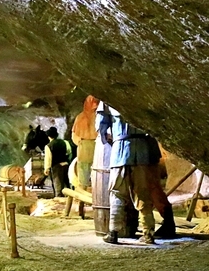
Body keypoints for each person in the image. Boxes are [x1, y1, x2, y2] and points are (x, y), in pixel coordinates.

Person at [96, 103, 174, 245]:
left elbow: (101, 126)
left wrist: (107, 139)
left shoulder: (107, 98)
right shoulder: (141, 93)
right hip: (143, 151)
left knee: (117, 193)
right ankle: (148, 234)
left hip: (119, 151)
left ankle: (113, 232)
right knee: (143, 193)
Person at [71, 95, 99, 192]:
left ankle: (81, 199)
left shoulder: (80, 117)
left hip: (83, 147)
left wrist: (80, 143)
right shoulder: (99, 116)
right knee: (98, 173)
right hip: (98, 147)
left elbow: (74, 136)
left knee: (83, 175)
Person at [44, 126, 71, 198]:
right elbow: (68, 152)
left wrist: (47, 168)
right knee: (67, 183)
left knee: (58, 185)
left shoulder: (48, 146)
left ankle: (59, 200)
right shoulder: (65, 142)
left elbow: (48, 158)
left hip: (57, 166)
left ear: (49, 136)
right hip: (66, 165)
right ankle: (69, 198)